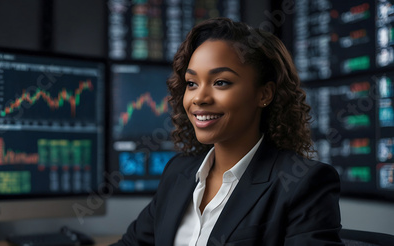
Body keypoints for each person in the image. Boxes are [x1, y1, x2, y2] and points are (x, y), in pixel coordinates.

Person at [112, 17, 344, 246]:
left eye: (221, 82)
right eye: (192, 83)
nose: (199, 98)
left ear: (264, 94)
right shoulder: (178, 172)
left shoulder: (303, 183)